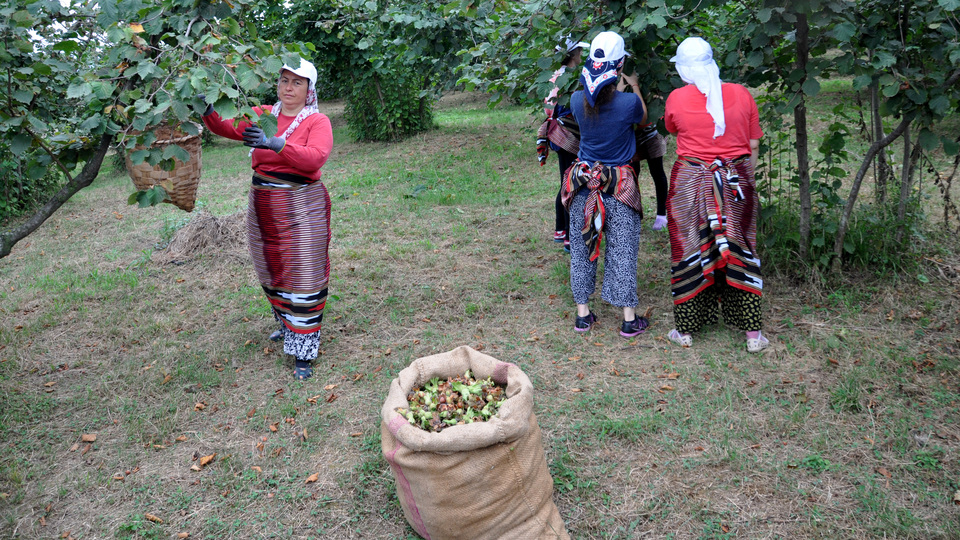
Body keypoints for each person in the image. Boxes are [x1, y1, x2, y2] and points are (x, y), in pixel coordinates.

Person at [200, 57, 334, 379]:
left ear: (309, 89)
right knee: (272, 270)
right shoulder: (263, 115)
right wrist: (205, 106)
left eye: (297, 82)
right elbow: (225, 125)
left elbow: (315, 158)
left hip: (301, 207)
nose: (289, 88)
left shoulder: (317, 122)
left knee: (303, 274)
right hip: (263, 206)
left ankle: (303, 352)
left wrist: (274, 143)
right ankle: (288, 325)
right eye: (284, 80)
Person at [663, 37, 768, 353]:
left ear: (684, 69)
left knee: (688, 248)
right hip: (735, 181)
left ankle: (686, 330)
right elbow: (753, 144)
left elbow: (673, 128)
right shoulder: (742, 94)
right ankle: (752, 335)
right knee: (741, 247)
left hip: (690, 183)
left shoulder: (676, 98)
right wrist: (743, 178)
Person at [561, 31, 650, 338]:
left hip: (584, 183)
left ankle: (583, 316)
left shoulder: (575, 100)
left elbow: (598, 104)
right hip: (619, 186)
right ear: (620, 65)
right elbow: (642, 118)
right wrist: (633, 85)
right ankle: (628, 320)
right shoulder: (629, 103)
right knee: (623, 249)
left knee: (581, 248)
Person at [537, 37, 589, 252]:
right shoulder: (572, 78)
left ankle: (561, 229)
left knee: (565, 181)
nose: (581, 55)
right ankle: (569, 236)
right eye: (579, 51)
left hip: (558, 133)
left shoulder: (555, 75)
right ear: (573, 53)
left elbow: (548, 107)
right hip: (569, 135)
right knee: (572, 184)